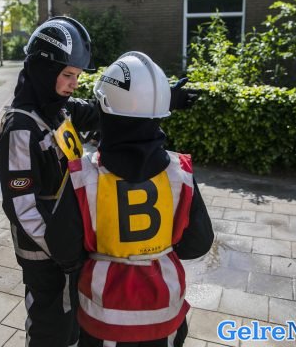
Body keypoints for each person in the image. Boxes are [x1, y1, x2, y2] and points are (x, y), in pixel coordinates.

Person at [68, 51, 214, 347]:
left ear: (104, 112)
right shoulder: (180, 173)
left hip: (103, 320)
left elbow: (64, 249)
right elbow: (198, 243)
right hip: (164, 318)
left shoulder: (82, 176)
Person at [0, 16, 99, 347]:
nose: (74, 84)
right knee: (48, 330)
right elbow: (22, 207)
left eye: (77, 76)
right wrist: (63, 251)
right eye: (68, 75)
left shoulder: (57, 108)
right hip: (44, 254)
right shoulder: (20, 128)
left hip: (68, 245)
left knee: (71, 326)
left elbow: (100, 111)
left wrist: (161, 99)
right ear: (44, 70)